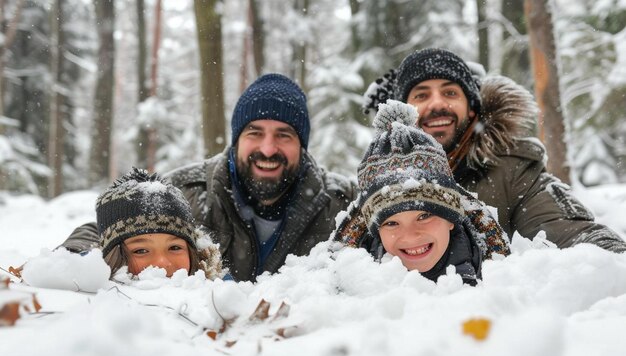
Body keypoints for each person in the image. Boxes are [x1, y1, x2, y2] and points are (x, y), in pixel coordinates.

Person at [62, 74, 357, 282]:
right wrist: (80, 260)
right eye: (255, 133)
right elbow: (99, 232)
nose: (268, 148)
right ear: (236, 139)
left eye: (284, 135)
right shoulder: (184, 190)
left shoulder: (343, 201)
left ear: (302, 145)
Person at [363, 48, 626, 253]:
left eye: (451, 93)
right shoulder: (377, 180)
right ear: (402, 114)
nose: (437, 104)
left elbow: (572, 233)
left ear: (472, 109)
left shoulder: (515, 172)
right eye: (421, 95)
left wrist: (611, 260)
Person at [333, 100, 510, 285]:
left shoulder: (504, 281)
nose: (410, 236)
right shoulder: (351, 289)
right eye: (392, 223)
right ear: (377, 231)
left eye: (424, 215)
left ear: (452, 218)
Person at [96, 167, 225, 279]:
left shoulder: (221, 299)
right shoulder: (87, 302)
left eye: (175, 247)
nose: (162, 263)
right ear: (111, 258)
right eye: (141, 251)